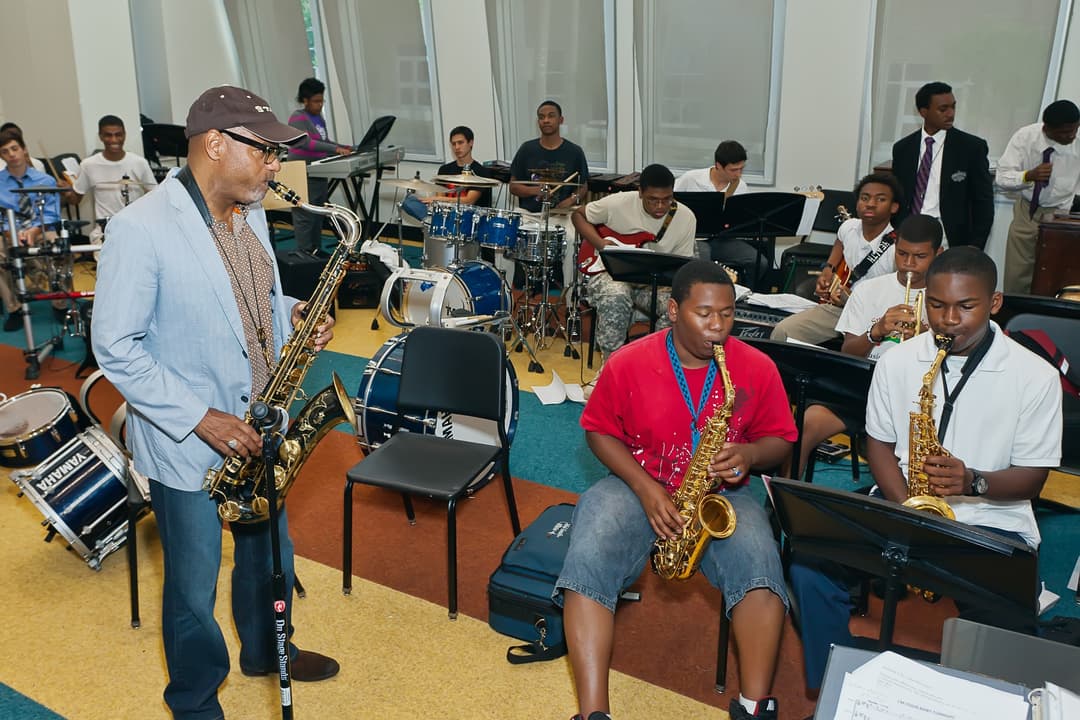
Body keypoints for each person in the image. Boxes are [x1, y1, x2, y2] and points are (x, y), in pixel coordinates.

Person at [92, 85, 340, 720]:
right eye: (266, 152)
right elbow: (116, 346)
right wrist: (199, 416)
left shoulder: (249, 211)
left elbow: (243, 306)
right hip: (190, 440)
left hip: (261, 418)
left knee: (269, 555)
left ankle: (266, 650)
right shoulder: (139, 228)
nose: (276, 166)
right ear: (216, 145)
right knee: (192, 589)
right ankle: (195, 701)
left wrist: (294, 315)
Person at [789, 247, 1062, 694]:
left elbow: (1033, 478)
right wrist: (908, 510)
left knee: (1011, 625)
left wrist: (974, 480)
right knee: (810, 564)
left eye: (965, 306)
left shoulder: (1034, 376)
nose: (948, 319)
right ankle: (839, 688)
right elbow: (878, 441)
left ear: (994, 303)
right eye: (936, 305)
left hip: (992, 520)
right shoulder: (898, 359)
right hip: (903, 504)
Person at [556, 259, 796, 720]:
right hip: (638, 484)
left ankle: (753, 706)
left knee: (761, 572)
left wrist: (747, 455)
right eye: (704, 313)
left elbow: (780, 440)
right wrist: (645, 489)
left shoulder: (756, 368)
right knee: (588, 556)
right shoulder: (629, 361)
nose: (718, 326)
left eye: (727, 314)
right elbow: (598, 432)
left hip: (723, 497)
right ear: (672, 310)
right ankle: (592, 714)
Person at [784, 214, 943, 479]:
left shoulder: (946, 297)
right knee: (806, 423)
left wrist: (926, 335)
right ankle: (779, 504)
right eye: (902, 254)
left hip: (919, 398)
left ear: (938, 254)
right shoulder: (868, 290)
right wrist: (877, 331)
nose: (908, 264)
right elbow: (849, 351)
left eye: (920, 257)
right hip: (864, 390)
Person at [571, 163, 696, 360]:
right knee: (616, 294)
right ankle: (612, 363)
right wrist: (601, 244)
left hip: (653, 283)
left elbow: (682, 268)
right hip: (610, 274)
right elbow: (578, 215)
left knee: (683, 307)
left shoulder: (686, 218)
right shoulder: (618, 203)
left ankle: (652, 358)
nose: (660, 206)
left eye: (666, 200)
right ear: (640, 192)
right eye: (652, 200)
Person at [770, 173, 901, 345]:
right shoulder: (849, 227)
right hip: (839, 309)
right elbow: (840, 241)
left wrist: (856, 299)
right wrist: (828, 269)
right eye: (865, 198)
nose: (870, 204)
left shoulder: (898, 247)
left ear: (894, 207)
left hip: (875, 317)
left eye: (880, 199)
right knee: (783, 332)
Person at [891, 81, 994, 250]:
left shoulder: (971, 147)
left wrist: (976, 244)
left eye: (953, 107)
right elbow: (898, 195)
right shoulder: (903, 148)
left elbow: (983, 201)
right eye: (943, 109)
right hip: (909, 230)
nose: (950, 114)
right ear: (923, 112)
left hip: (949, 235)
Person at [997, 99, 1080, 293]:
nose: (1072, 135)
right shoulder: (1026, 137)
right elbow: (1002, 177)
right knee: (1017, 274)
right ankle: (1016, 316)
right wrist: (1028, 175)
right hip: (1028, 211)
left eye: (1075, 129)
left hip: (1063, 213)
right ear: (1047, 129)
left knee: (1056, 272)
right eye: (1065, 132)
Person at [0, 129, 61, 331]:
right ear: (1, 155)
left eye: (15, 148)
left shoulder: (46, 181)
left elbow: (52, 214)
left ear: (24, 150)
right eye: (5, 151)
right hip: (10, 231)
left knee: (56, 244)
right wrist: (11, 233)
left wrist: (34, 232)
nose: (12, 154)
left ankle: (59, 303)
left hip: (41, 228)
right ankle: (14, 308)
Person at [62, 115, 158, 236]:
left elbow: (155, 194)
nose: (114, 140)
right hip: (104, 231)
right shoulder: (88, 165)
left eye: (118, 135)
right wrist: (66, 192)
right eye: (108, 135)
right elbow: (76, 199)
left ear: (124, 135)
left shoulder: (139, 163)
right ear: (100, 136)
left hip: (136, 228)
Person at [287, 77, 353, 253]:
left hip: (318, 172)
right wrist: (336, 149)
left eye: (322, 100)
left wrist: (342, 147)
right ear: (305, 100)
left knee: (317, 215)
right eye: (316, 101)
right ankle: (304, 253)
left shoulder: (318, 118)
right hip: (303, 172)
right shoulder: (298, 117)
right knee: (304, 218)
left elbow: (323, 141)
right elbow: (305, 143)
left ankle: (315, 251)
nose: (320, 104)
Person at [509, 100, 589, 213]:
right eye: (542, 117)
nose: (546, 120)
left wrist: (571, 200)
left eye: (551, 116)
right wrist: (535, 191)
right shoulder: (526, 149)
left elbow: (583, 186)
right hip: (530, 215)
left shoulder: (575, 152)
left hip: (561, 214)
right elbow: (513, 186)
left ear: (561, 120)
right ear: (538, 122)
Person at [426, 125, 494, 208]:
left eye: (460, 143)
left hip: (471, 219)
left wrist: (437, 199)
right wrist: (437, 199)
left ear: (471, 143)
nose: (457, 147)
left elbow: (469, 201)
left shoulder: (481, 172)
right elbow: (440, 200)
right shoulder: (445, 169)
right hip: (446, 216)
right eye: (453, 144)